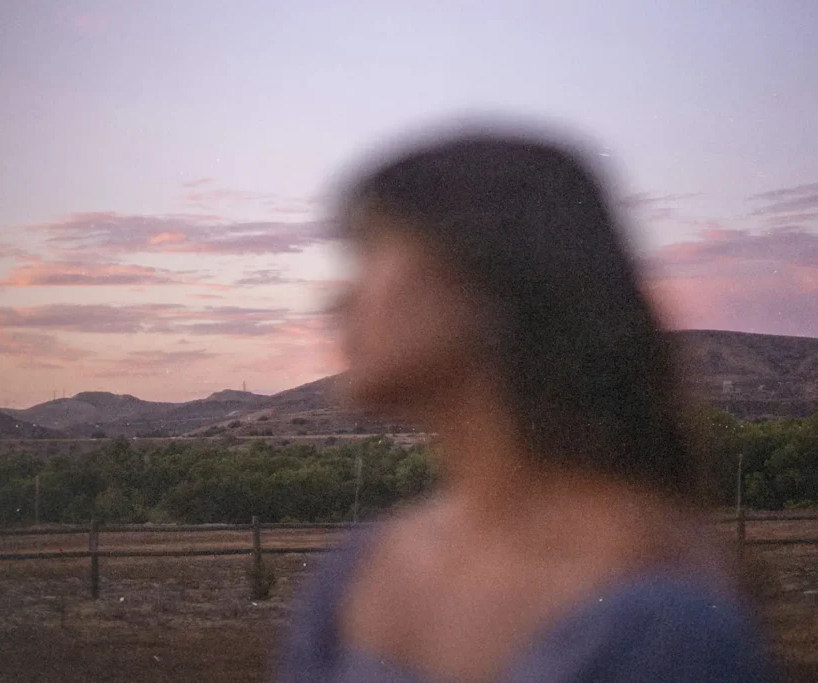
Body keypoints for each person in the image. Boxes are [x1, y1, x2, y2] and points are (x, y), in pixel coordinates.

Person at [274, 126, 779, 682]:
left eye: (370, 249)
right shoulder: (358, 568)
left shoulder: (662, 617)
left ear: (490, 275)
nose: (336, 297)